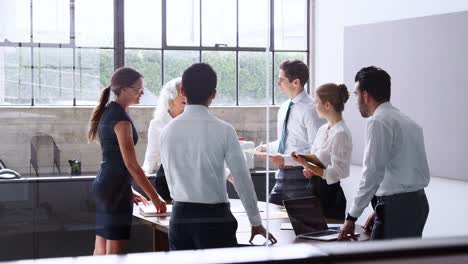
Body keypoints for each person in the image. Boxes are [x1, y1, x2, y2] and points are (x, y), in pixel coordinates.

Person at [160, 63, 276, 250]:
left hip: (180, 217)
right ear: (213, 94)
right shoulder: (224, 130)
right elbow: (242, 179)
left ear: (183, 91)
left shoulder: (167, 131)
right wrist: (255, 222)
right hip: (214, 218)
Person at [339, 66, 430, 240]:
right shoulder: (408, 121)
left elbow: (372, 173)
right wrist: (379, 206)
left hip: (396, 208)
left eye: (356, 94)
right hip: (416, 204)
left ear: (366, 95)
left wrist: (352, 216)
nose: (356, 100)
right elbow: (402, 170)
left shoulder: (378, 122)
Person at [88, 67, 166, 255]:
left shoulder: (109, 112)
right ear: (122, 89)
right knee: (115, 252)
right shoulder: (120, 118)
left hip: (107, 185)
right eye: (137, 89)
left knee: (101, 247)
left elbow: (112, 159)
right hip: (114, 189)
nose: (142, 93)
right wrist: (155, 197)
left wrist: (129, 189)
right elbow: (131, 164)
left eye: (142, 89)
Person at [256, 60, 325, 205]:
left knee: (296, 225)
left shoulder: (312, 110)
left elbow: (318, 153)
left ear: (296, 82)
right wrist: (266, 148)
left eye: (281, 80)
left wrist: (285, 159)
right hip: (282, 177)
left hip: (302, 179)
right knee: (270, 220)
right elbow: (285, 142)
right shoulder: (285, 107)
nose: (277, 83)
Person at [291, 83, 352, 220]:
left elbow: (338, 172)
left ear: (328, 105)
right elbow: (317, 161)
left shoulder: (340, 133)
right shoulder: (323, 129)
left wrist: (308, 165)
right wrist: (308, 168)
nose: (314, 105)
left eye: (317, 101)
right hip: (313, 191)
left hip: (330, 197)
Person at [142, 77, 186, 202]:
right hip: (167, 178)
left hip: (190, 177)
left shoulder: (192, 120)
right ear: (170, 95)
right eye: (182, 92)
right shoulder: (157, 123)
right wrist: (141, 176)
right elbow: (152, 154)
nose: (186, 97)